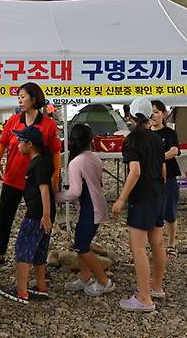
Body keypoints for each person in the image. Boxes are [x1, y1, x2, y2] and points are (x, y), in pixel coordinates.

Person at [0, 82, 61, 268]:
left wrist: (55, 177)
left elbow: (55, 152)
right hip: (12, 177)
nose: (19, 100)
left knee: (38, 218)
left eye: (23, 96)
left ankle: (37, 260)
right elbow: (2, 142)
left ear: (34, 99)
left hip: (37, 182)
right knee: (5, 216)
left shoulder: (48, 124)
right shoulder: (13, 121)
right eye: (18, 97)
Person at [112, 98, 166, 312]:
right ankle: (156, 287)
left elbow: (135, 171)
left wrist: (121, 198)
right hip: (158, 193)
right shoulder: (155, 138)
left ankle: (144, 298)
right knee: (158, 243)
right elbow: (163, 170)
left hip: (142, 197)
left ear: (130, 116)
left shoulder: (132, 140)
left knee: (138, 247)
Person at [0, 125, 54, 304]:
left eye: (20, 141)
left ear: (30, 144)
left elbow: (44, 189)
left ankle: (21, 290)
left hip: (37, 214)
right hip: (43, 213)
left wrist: (45, 215)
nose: (17, 144)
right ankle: (41, 286)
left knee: (23, 249)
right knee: (39, 251)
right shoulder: (41, 162)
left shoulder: (37, 164)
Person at [57, 124, 113, 296]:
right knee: (82, 244)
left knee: (82, 247)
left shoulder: (76, 162)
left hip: (90, 208)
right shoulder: (94, 158)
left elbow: (75, 191)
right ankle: (85, 278)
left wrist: (55, 197)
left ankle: (104, 282)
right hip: (97, 205)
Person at [150, 100, 181, 261]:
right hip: (150, 180)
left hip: (168, 178)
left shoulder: (169, 133)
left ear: (163, 114)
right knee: (153, 213)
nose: (153, 115)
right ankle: (155, 245)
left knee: (170, 213)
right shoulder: (146, 133)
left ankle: (171, 245)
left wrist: (156, 158)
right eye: (151, 112)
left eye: (156, 111)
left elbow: (174, 150)